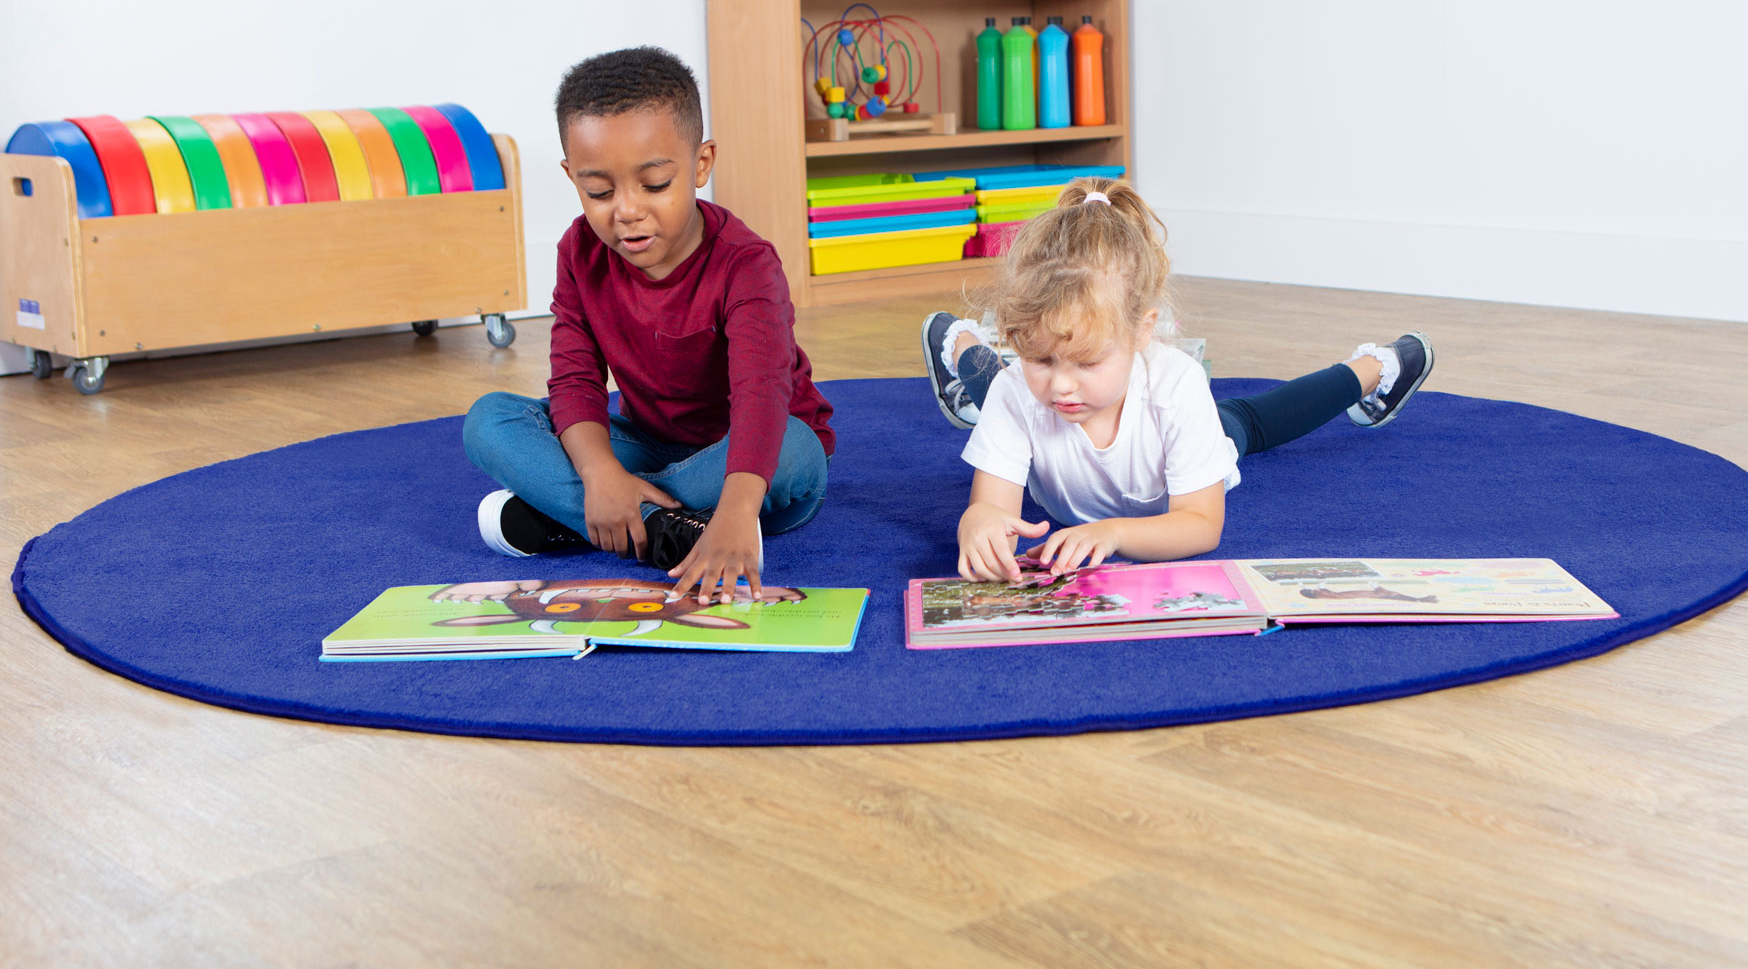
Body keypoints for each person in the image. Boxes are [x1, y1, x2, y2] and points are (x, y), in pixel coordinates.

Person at [461, 46, 834, 604]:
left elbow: (763, 397)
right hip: (646, 446)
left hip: (747, 462)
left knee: (798, 450)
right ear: (572, 178)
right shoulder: (579, 251)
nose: (627, 210)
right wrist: (601, 472)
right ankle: (664, 529)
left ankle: (590, 521)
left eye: (655, 184)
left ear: (701, 164)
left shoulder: (747, 264)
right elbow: (574, 380)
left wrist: (735, 515)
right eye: (600, 192)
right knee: (489, 422)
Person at [918, 179, 1434, 582]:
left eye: (1089, 361)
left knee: (1250, 423)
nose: (1063, 387)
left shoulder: (1176, 387)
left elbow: (1201, 524)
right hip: (1017, 397)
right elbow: (990, 507)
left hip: (1179, 438)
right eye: (1042, 358)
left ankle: (1382, 367)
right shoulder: (1024, 389)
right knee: (1000, 388)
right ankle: (957, 339)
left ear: (1142, 331)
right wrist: (978, 525)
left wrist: (1113, 533)